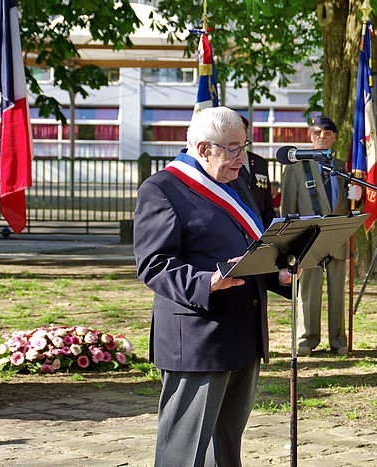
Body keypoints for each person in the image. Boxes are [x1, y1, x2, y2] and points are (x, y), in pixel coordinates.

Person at [133, 106, 292, 466]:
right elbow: (153, 264)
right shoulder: (162, 189)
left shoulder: (236, 182)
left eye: (243, 146)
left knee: (225, 448)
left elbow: (250, 247)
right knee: (184, 453)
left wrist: (277, 275)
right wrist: (206, 282)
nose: (242, 158)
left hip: (243, 334)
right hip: (197, 340)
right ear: (204, 149)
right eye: (233, 148)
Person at [279, 115, 362, 357]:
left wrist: (358, 197)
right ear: (310, 135)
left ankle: (338, 340)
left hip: (337, 239)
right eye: (317, 132)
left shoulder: (342, 167)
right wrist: (290, 245)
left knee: (338, 294)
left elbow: (349, 206)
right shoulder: (297, 167)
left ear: (334, 137)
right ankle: (307, 339)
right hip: (308, 241)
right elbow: (288, 209)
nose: (322, 137)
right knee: (308, 292)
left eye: (327, 133)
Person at [239, 116, 276, 227]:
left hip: (260, 227)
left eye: (242, 130)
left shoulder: (260, 162)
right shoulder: (226, 163)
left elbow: (267, 205)